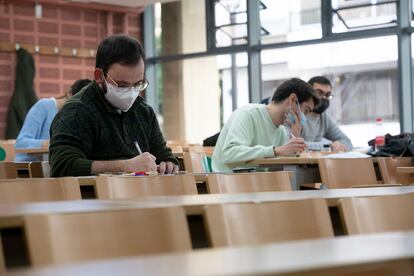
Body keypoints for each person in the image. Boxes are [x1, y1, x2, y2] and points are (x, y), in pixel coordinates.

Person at [49, 34, 178, 177]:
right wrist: (125, 165)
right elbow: (62, 165)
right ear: (99, 76)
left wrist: (169, 164)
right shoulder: (76, 112)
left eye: (138, 84)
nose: (131, 93)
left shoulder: (144, 112)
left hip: (142, 195)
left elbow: (163, 155)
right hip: (94, 197)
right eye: (122, 85)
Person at [212, 78, 319, 172]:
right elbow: (229, 153)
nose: (303, 119)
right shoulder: (248, 114)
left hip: (258, 184)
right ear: (292, 100)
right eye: (305, 111)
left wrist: (294, 143)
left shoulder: (281, 131)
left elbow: (281, 166)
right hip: (227, 183)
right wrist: (275, 150)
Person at [14, 79, 91, 161]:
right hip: (27, 167)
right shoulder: (44, 106)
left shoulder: (75, 116)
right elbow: (20, 143)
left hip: (51, 167)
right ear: (69, 93)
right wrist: (50, 143)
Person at [301, 76, 353, 152]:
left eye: (328, 95)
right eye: (319, 93)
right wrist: (327, 147)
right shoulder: (298, 114)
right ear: (307, 93)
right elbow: (293, 145)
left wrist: (339, 145)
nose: (324, 98)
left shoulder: (324, 118)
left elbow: (347, 141)